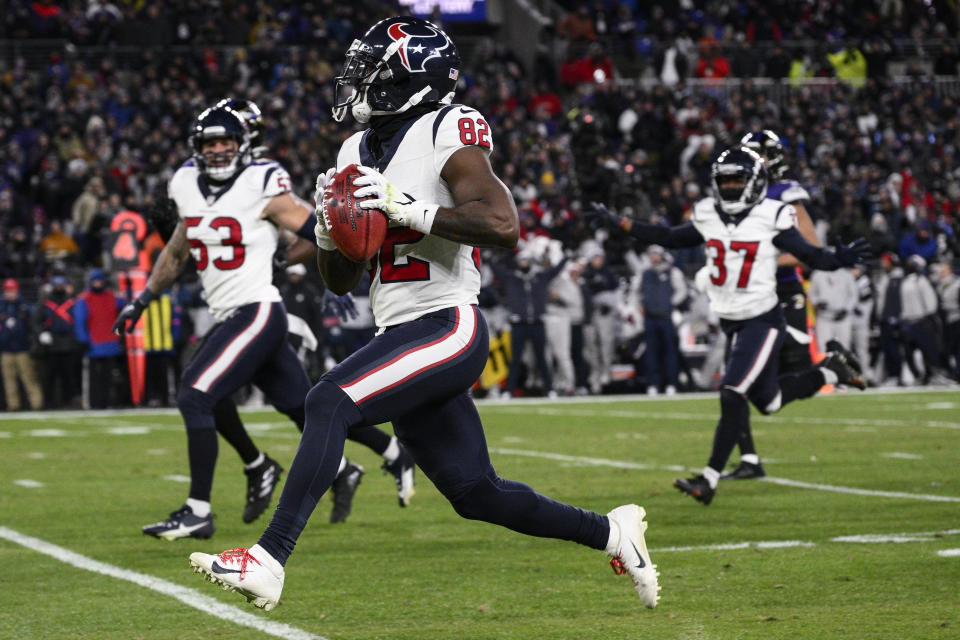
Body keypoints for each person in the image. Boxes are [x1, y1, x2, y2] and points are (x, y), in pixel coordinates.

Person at [188, 16, 660, 612]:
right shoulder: (353, 149)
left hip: (447, 322)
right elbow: (342, 280)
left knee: (327, 400)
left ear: (407, 78)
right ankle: (613, 532)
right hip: (399, 327)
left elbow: (502, 224)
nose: (355, 83)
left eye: (370, 73)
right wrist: (333, 236)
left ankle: (269, 559)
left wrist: (410, 210)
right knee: (476, 493)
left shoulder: (445, 127)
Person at [113, 103, 411, 540]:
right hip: (237, 312)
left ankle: (199, 509)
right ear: (197, 147)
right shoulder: (183, 183)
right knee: (301, 407)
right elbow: (178, 250)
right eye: (210, 143)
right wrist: (141, 300)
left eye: (226, 142)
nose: (218, 150)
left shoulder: (263, 181)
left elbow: (319, 230)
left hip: (255, 310)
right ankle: (374, 455)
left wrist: (352, 261)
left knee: (195, 395)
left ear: (242, 145)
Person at [590, 146, 869, 505]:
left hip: (763, 319)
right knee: (768, 401)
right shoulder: (708, 213)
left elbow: (809, 254)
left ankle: (707, 479)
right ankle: (832, 371)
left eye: (739, 179)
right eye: (726, 180)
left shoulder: (774, 215)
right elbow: (671, 237)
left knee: (732, 391)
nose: (732, 187)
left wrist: (836, 260)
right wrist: (622, 223)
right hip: (732, 321)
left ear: (754, 182)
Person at [724, 129, 824, 479]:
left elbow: (810, 247)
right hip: (749, 299)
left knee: (769, 388)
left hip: (780, 296)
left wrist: (759, 260)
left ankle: (832, 370)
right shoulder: (740, 197)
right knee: (736, 382)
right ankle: (749, 459)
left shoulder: (785, 193)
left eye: (756, 157)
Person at [636, 245, 686, 396]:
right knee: (651, 353)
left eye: (656, 254)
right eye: (652, 254)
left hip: (666, 317)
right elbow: (635, 292)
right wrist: (639, 305)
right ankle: (653, 384)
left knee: (670, 352)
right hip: (650, 318)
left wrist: (670, 303)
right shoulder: (644, 273)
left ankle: (671, 383)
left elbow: (681, 291)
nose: (654, 257)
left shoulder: (672, 272)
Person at [73, 268, 124, 409]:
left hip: (110, 343)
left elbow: (126, 304)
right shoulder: (85, 299)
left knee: (108, 377)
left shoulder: (111, 296)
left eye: (100, 281)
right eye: (95, 281)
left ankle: (106, 402)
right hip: (94, 344)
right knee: (93, 378)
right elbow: (80, 320)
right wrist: (83, 340)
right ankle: (94, 403)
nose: (98, 283)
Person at [0, 278, 43, 410]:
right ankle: (13, 405)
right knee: (9, 380)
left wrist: (33, 343)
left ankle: (37, 404)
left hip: (23, 348)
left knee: (29, 378)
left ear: (17, 290)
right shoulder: (1, 306)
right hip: (5, 349)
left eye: (12, 290)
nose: (10, 293)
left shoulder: (25, 306)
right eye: (8, 291)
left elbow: (34, 325)